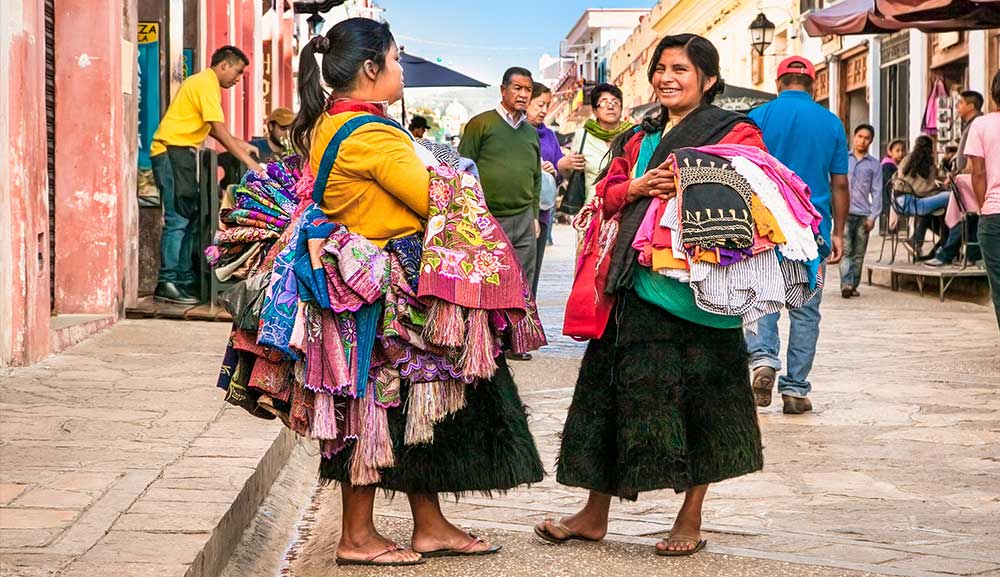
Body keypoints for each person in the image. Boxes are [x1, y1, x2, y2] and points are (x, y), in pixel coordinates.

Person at [289, 18, 543, 566]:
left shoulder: (333, 124)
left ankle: (429, 525)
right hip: (384, 291)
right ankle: (356, 536)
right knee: (374, 409)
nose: (402, 70)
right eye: (397, 59)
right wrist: (455, 170)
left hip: (364, 285)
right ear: (370, 68)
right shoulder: (372, 134)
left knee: (402, 408)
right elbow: (436, 198)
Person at [535, 33, 765, 557]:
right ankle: (594, 513)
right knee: (608, 396)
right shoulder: (638, 138)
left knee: (705, 403)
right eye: (660, 68)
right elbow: (605, 196)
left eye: (680, 69)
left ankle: (691, 515)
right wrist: (637, 189)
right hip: (634, 287)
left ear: (707, 79)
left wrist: (688, 179)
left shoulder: (738, 133)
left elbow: (752, 192)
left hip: (703, 291)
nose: (666, 77)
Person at [743, 55, 849, 415]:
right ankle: (795, 390)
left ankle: (762, 360)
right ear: (814, 84)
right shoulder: (832, 123)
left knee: (763, 300)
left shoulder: (757, 118)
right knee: (806, 311)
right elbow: (840, 184)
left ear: (778, 83)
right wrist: (838, 232)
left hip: (763, 228)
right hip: (813, 232)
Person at [150, 45, 263, 305]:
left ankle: (182, 278)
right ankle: (167, 282)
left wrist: (239, 143)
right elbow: (217, 128)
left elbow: (211, 129)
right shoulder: (205, 83)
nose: (237, 79)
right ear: (223, 65)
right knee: (178, 219)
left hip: (182, 153)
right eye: (237, 72)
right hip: (171, 152)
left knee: (189, 217)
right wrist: (248, 160)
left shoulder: (204, 84)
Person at [459, 67, 541, 360]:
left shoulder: (531, 132)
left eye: (527, 90)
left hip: (522, 217)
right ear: (503, 90)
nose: (522, 94)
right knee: (489, 279)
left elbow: (535, 176)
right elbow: (463, 168)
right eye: (517, 88)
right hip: (488, 217)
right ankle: (487, 341)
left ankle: (516, 342)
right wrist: (471, 212)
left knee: (524, 281)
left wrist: (533, 214)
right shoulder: (481, 124)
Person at [925, 90, 985, 267]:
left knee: (963, 214)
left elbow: (974, 157)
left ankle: (947, 253)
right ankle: (972, 254)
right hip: (964, 176)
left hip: (971, 178)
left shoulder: (977, 124)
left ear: (971, 106)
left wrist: (963, 172)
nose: (957, 107)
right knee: (970, 216)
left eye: (960, 103)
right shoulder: (970, 124)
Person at [966, 70, 1000, 328]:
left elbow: (978, 173)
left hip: (993, 214)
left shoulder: (981, 124)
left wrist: (982, 208)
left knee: (998, 285)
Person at [525, 82, 565, 296]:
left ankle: (530, 315)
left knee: (535, 268)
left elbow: (559, 167)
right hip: (520, 210)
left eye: (546, 105)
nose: (543, 110)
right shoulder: (517, 131)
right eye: (539, 104)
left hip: (543, 209)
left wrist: (556, 169)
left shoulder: (549, 135)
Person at [564, 83, 634, 205]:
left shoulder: (633, 135)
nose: (610, 107)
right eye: (603, 102)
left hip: (626, 208)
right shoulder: (583, 136)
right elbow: (571, 173)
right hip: (593, 209)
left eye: (615, 102)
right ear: (595, 110)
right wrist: (563, 166)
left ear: (621, 108)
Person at [894, 135, 952, 258]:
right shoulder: (929, 165)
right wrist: (940, 187)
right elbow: (924, 191)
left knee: (929, 210)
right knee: (948, 196)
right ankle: (946, 236)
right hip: (913, 203)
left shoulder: (906, 160)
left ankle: (916, 241)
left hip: (897, 202)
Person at [841, 124, 882, 298]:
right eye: (859, 136)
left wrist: (873, 217)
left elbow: (877, 191)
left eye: (866, 138)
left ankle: (853, 284)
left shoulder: (874, 165)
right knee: (846, 251)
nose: (862, 140)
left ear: (871, 141)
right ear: (854, 137)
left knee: (859, 253)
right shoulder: (842, 159)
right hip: (843, 213)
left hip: (863, 214)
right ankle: (846, 284)